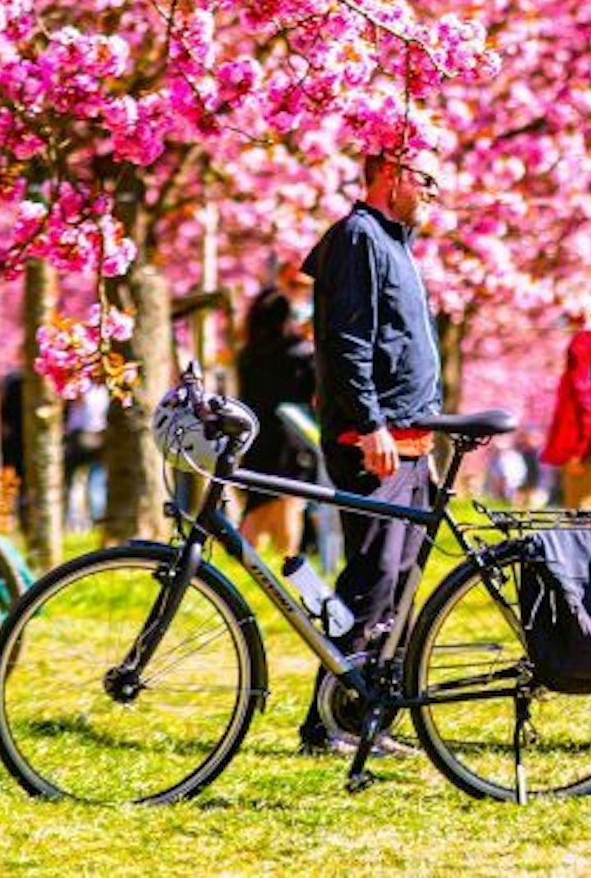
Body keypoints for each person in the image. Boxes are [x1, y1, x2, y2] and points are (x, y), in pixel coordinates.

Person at [298, 146, 444, 754]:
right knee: (372, 578)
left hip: (411, 444)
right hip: (375, 442)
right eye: (426, 178)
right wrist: (371, 424)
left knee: (400, 584)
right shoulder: (358, 238)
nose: (434, 191)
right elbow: (346, 341)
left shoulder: (393, 242)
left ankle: (366, 720)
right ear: (392, 173)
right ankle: (327, 723)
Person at [234, 286, 318, 556]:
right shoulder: (301, 353)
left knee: (256, 507)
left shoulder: (247, 354)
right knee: (288, 505)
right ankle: (287, 566)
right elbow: (314, 392)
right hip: (291, 438)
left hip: (256, 436)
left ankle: (243, 564)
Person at [541, 305, 591, 507]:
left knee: (584, 512)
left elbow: (586, 398)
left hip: (586, 449)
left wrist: (577, 450)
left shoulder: (584, 343)